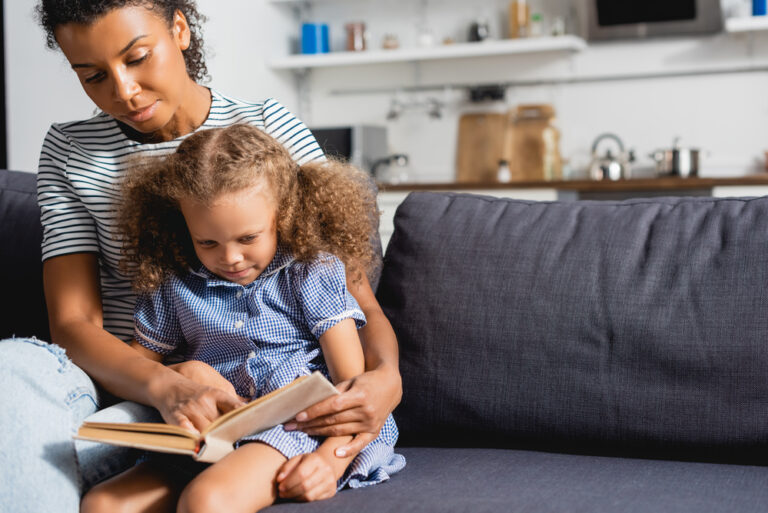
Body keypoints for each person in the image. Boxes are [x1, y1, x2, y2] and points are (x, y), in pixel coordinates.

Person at [0, 2, 402, 512]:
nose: (123, 92)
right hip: (141, 393)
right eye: (93, 75)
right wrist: (171, 383)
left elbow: (355, 298)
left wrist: (386, 379)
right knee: (10, 368)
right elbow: (74, 323)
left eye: (138, 57)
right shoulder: (69, 149)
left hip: (266, 405)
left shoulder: (267, 125)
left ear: (181, 29)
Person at [80, 124, 405, 513]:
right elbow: (136, 367)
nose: (230, 257)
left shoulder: (310, 270)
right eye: (208, 242)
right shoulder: (173, 283)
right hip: (213, 433)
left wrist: (329, 462)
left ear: (282, 216)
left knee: (205, 501)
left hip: (300, 428)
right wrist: (185, 372)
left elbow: (349, 388)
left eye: (248, 238)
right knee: (103, 505)